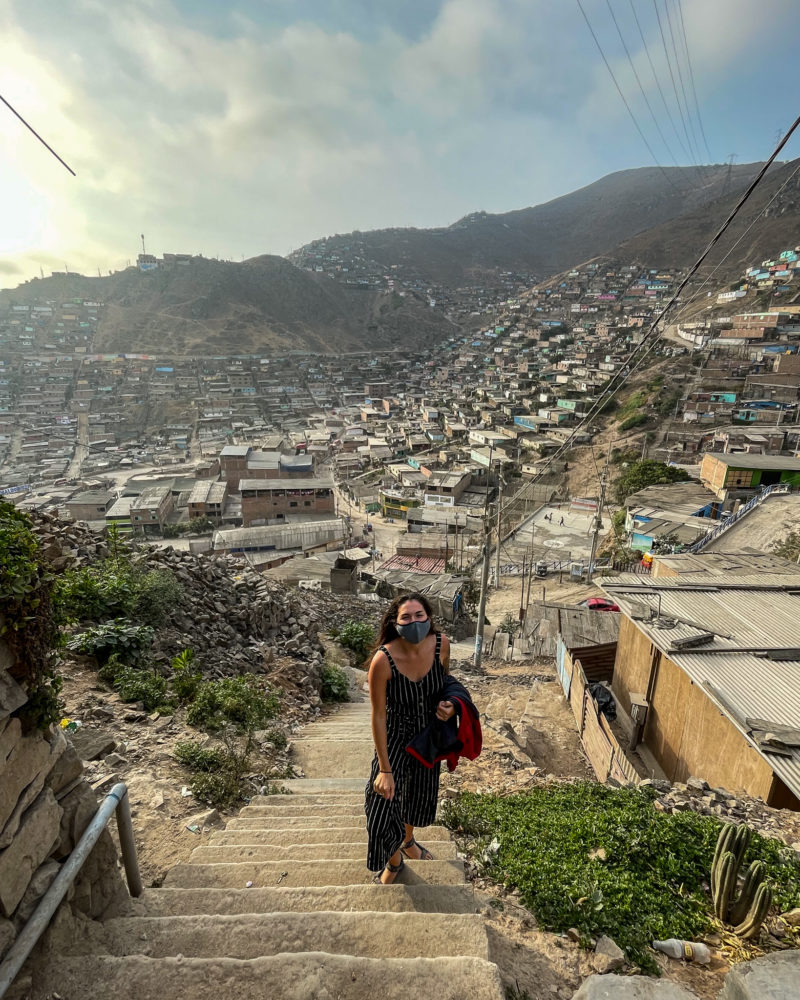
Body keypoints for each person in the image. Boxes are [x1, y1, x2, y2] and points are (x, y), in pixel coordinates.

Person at [364, 592, 454, 884]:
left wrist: (448, 704)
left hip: (428, 738)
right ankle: (394, 861)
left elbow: (445, 684)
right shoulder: (383, 660)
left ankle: (407, 840)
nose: (414, 622)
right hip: (395, 740)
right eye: (406, 617)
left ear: (429, 618)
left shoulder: (441, 644)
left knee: (416, 800)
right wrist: (385, 769)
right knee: (379, 809)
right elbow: (378, 715)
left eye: (419, 616)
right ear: (395, 622)